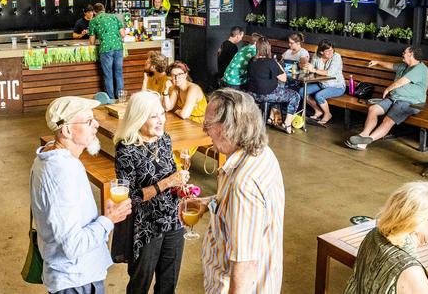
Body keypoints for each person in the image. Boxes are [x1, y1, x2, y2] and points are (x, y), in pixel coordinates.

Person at [30, 96, 132, 294]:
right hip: (75, 281)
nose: (96, 125)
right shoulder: (61, 173)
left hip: (78, 275)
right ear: (67, 130)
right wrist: (108, 220)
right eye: (88, 121)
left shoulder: (49, 157)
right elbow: (73, 245)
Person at [188, 88, 284, 294]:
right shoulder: (262, 153)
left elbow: (245, 263)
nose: (205, 131)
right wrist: (210, 202)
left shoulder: (244, 184)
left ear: (226, 128)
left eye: (207, 125)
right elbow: (256, 211)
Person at [113, 91, 189, 294]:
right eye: (153, 116)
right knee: (140, 284)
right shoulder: (126, 150)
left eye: (162, 114)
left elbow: (171, 173)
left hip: (173, 220)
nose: (161, 121)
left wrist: (181, 187)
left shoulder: (164, 139)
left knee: (168, 283)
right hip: (146, 228)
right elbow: (130, 198)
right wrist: (167, 182)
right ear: (138, 117)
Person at [344, 181, 428, 294]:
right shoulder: (413, 274)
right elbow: (405, 273)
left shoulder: (374, 234)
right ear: (417, 222)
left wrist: (427, 277)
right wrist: (420, 282)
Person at [345, 47, 428, 150]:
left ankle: (367, 140)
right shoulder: (404, 66)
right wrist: (378, 62)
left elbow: (403, 81)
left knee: (387, 120)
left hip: (410, 102)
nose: (402, 54)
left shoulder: (420, 68)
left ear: (411, 54)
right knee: (373, 109)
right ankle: (364, 135)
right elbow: (391, 66)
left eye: (405, 53)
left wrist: (388, 89)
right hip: (394, 98)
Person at [247, 37, 301, 134]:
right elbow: (284, 78)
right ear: (268, 48)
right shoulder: (271, 62)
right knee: (295, 95)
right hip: (267, 95)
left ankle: (271, 118)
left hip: (253, 94)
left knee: (278, 88)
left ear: (257, 48)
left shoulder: (252, 60)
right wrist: (277, 64)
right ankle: (287, 124)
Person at [301, 39, 345, 124]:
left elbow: (330, 73)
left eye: (332, 50)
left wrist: (314, 70)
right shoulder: (316, 56)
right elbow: (311, 70)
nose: (330, 53)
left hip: (337, 86)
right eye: (327, 51)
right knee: (302, 91)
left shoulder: (336, 57)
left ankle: (328, 114)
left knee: (319, 96)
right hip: (322, 84)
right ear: (321, 52)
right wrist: (306, 67)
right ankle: (318, 111)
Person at [89, 3, 126, 99]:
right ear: (104, 9)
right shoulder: (114, 17)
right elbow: (123, 34)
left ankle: (111, 99)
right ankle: (121, 98)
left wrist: (100, 37)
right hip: (118, 47)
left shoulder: (93, 21)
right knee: (119, 74)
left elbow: (92, 41)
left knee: (108, 75)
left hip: (105, 49)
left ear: (94, 12)